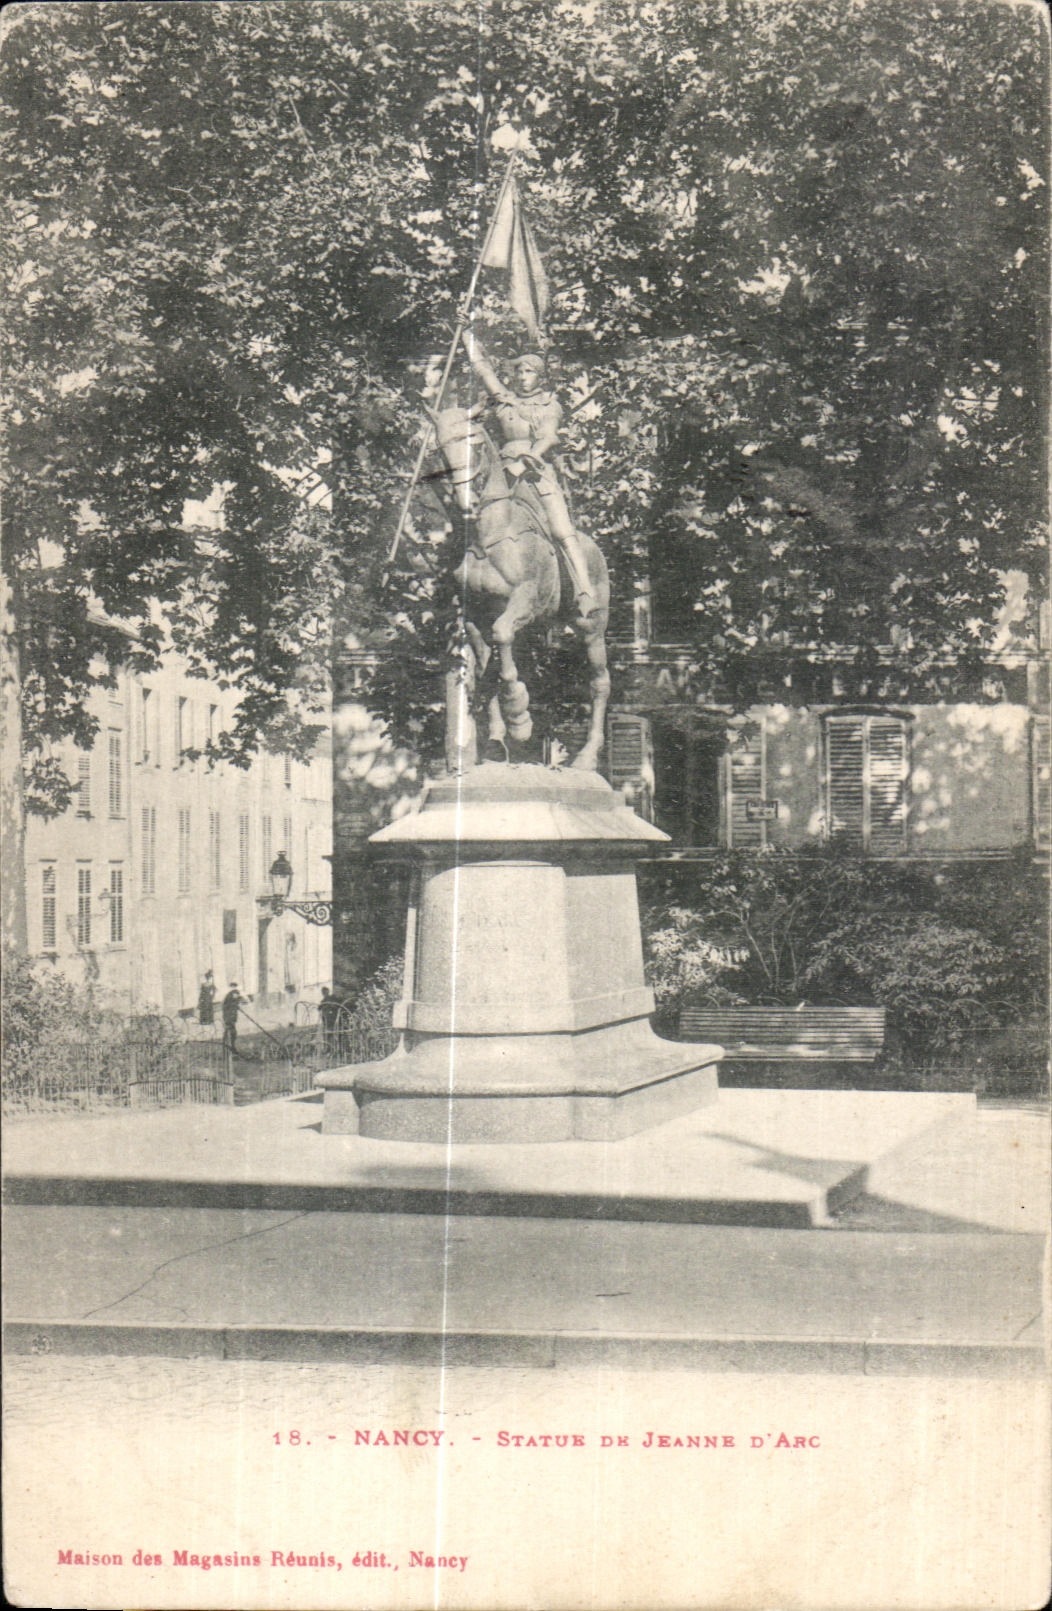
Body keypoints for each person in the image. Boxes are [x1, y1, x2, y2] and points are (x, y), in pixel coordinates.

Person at [465, 337, 597, 617]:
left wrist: (524, 463)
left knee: (561, 528)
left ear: (540, 377)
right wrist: (466, 334)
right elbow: (483, 369)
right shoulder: (506, 400)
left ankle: (585, 588)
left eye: (529, 373)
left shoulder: (549, 404)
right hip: (501, 472)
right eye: (519, 372)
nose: (523, 378)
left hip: (535, 472)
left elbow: (548, 438)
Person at [318, 986, 342, 1054]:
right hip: (326, 1020)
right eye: (323, 992)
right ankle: (329, 1048)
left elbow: (337, 1006)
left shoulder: (332, 999)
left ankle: (334, 1049)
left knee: (333, 1034)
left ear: (328, 991)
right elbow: (319, 1008)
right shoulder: (323, 1001)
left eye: (325, 992)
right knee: (328, 1035)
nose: (324, 993)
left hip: (332, 1019)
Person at [221, 983, 242, 1052]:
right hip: (229, 1016)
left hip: (229, 1016)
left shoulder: (230, 994)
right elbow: (230, 1004)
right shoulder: (232, 994)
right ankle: (231, 1046)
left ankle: (228, 1045)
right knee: (232, 1031)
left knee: (230, 1030)